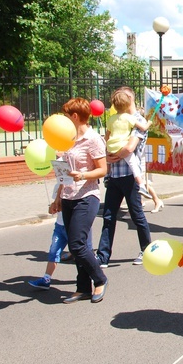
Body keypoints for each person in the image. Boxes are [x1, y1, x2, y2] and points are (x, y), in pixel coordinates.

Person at [50, 98, 108, 303]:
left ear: (75, 116)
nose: (64, 119)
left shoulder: (92, 139)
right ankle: (83, 287)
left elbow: (103, 169)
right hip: (68, 196)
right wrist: (57, 198)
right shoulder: (67, 139)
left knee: (76, 245)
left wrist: (82, 176)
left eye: (66, 115)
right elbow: (62, 173)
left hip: (87, 195)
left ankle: (100, 279)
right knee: (81, 243)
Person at [96, 87, 152, 267]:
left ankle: (147, 249)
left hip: (129, 175)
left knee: (137, 215)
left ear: (128, 98)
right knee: (109, 216)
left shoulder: (138, 121)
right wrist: (107, 155)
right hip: (114, 175)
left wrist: (113, 156)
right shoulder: (115, 120)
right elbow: (107, 141)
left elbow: (130, 148)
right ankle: (103, 255)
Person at [26, 182, 84, 289]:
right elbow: (55, 205)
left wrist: (61, 206)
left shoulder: (75, 185)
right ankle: (46, 279)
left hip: (71, 227)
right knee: (54, 251)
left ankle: (93, 276)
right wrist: (52, 207)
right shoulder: (58, 185)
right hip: (59, 226)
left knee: (81, 254)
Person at [106, 90, 153, 199]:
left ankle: (107, 176)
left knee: (109, 160)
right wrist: (149, 123)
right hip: (122, 146)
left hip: (111, 146)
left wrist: (109, 152)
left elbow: (106, 136)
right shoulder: (129, 117)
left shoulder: (111, 119)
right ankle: (141, 184)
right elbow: (143, 128)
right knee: (133, 164)